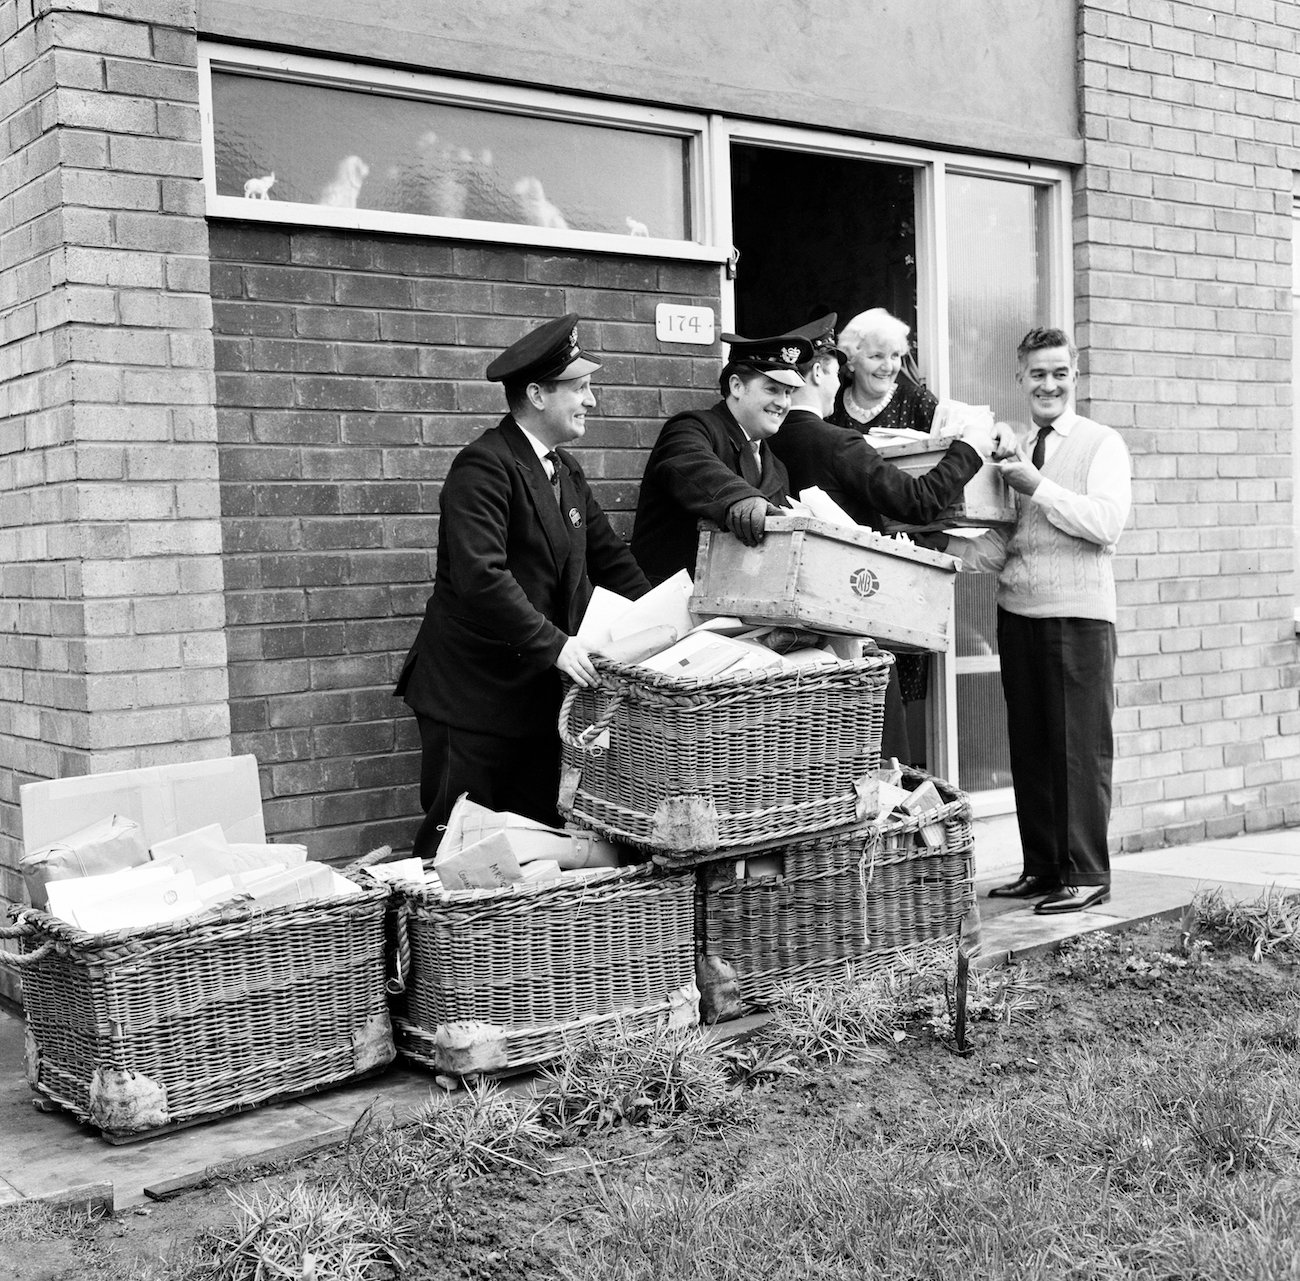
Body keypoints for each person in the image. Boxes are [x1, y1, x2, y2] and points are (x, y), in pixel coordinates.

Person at [395, 313, 651, 858]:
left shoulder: (566, 473)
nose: (593, 400)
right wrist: (556, 646)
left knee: (526, 854)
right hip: (471, 702)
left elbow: (613, 563)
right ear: (536, 393)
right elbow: (481, 578)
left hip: (533, 704)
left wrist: (673, 625)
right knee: (454, 850)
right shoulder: (483, 467)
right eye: (580, 388)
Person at [769, 313, 997, 762]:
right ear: (821, 372)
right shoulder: (839, 442)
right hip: (855, 614)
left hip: (793, 629)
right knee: (881, 755)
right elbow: (919, 500)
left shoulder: (767, 441)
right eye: (836, 370)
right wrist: (971, 445)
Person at [964, 327, 1132, 915]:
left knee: (1079, 749)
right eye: (1037, 373)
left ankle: (1086, 875)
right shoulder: (1016, 449)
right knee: (1031, 748)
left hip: (1078, 620)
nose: (1049, 384)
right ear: (1021, 379)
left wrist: (1038, 486)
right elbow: (1007, 539)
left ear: (1075, 377)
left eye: (1059, 373)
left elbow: (1106, 524)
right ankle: (1041, 870)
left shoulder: (1100, 442)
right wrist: (928, 554)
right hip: (1019, 615)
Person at [629, 329, 813, 585]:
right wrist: (742, 498)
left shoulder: (776, 468)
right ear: (736, 386)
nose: (782, 403)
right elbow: (691, 462)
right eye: (772, 389)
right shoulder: (692, 428)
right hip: (670, 603)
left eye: (788, 393)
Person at [829, 307, 939, 437]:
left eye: (895, 355)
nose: (888, 367)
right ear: (851, 361)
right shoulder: (830, 407)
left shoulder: (920, 404)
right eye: (876, 356)